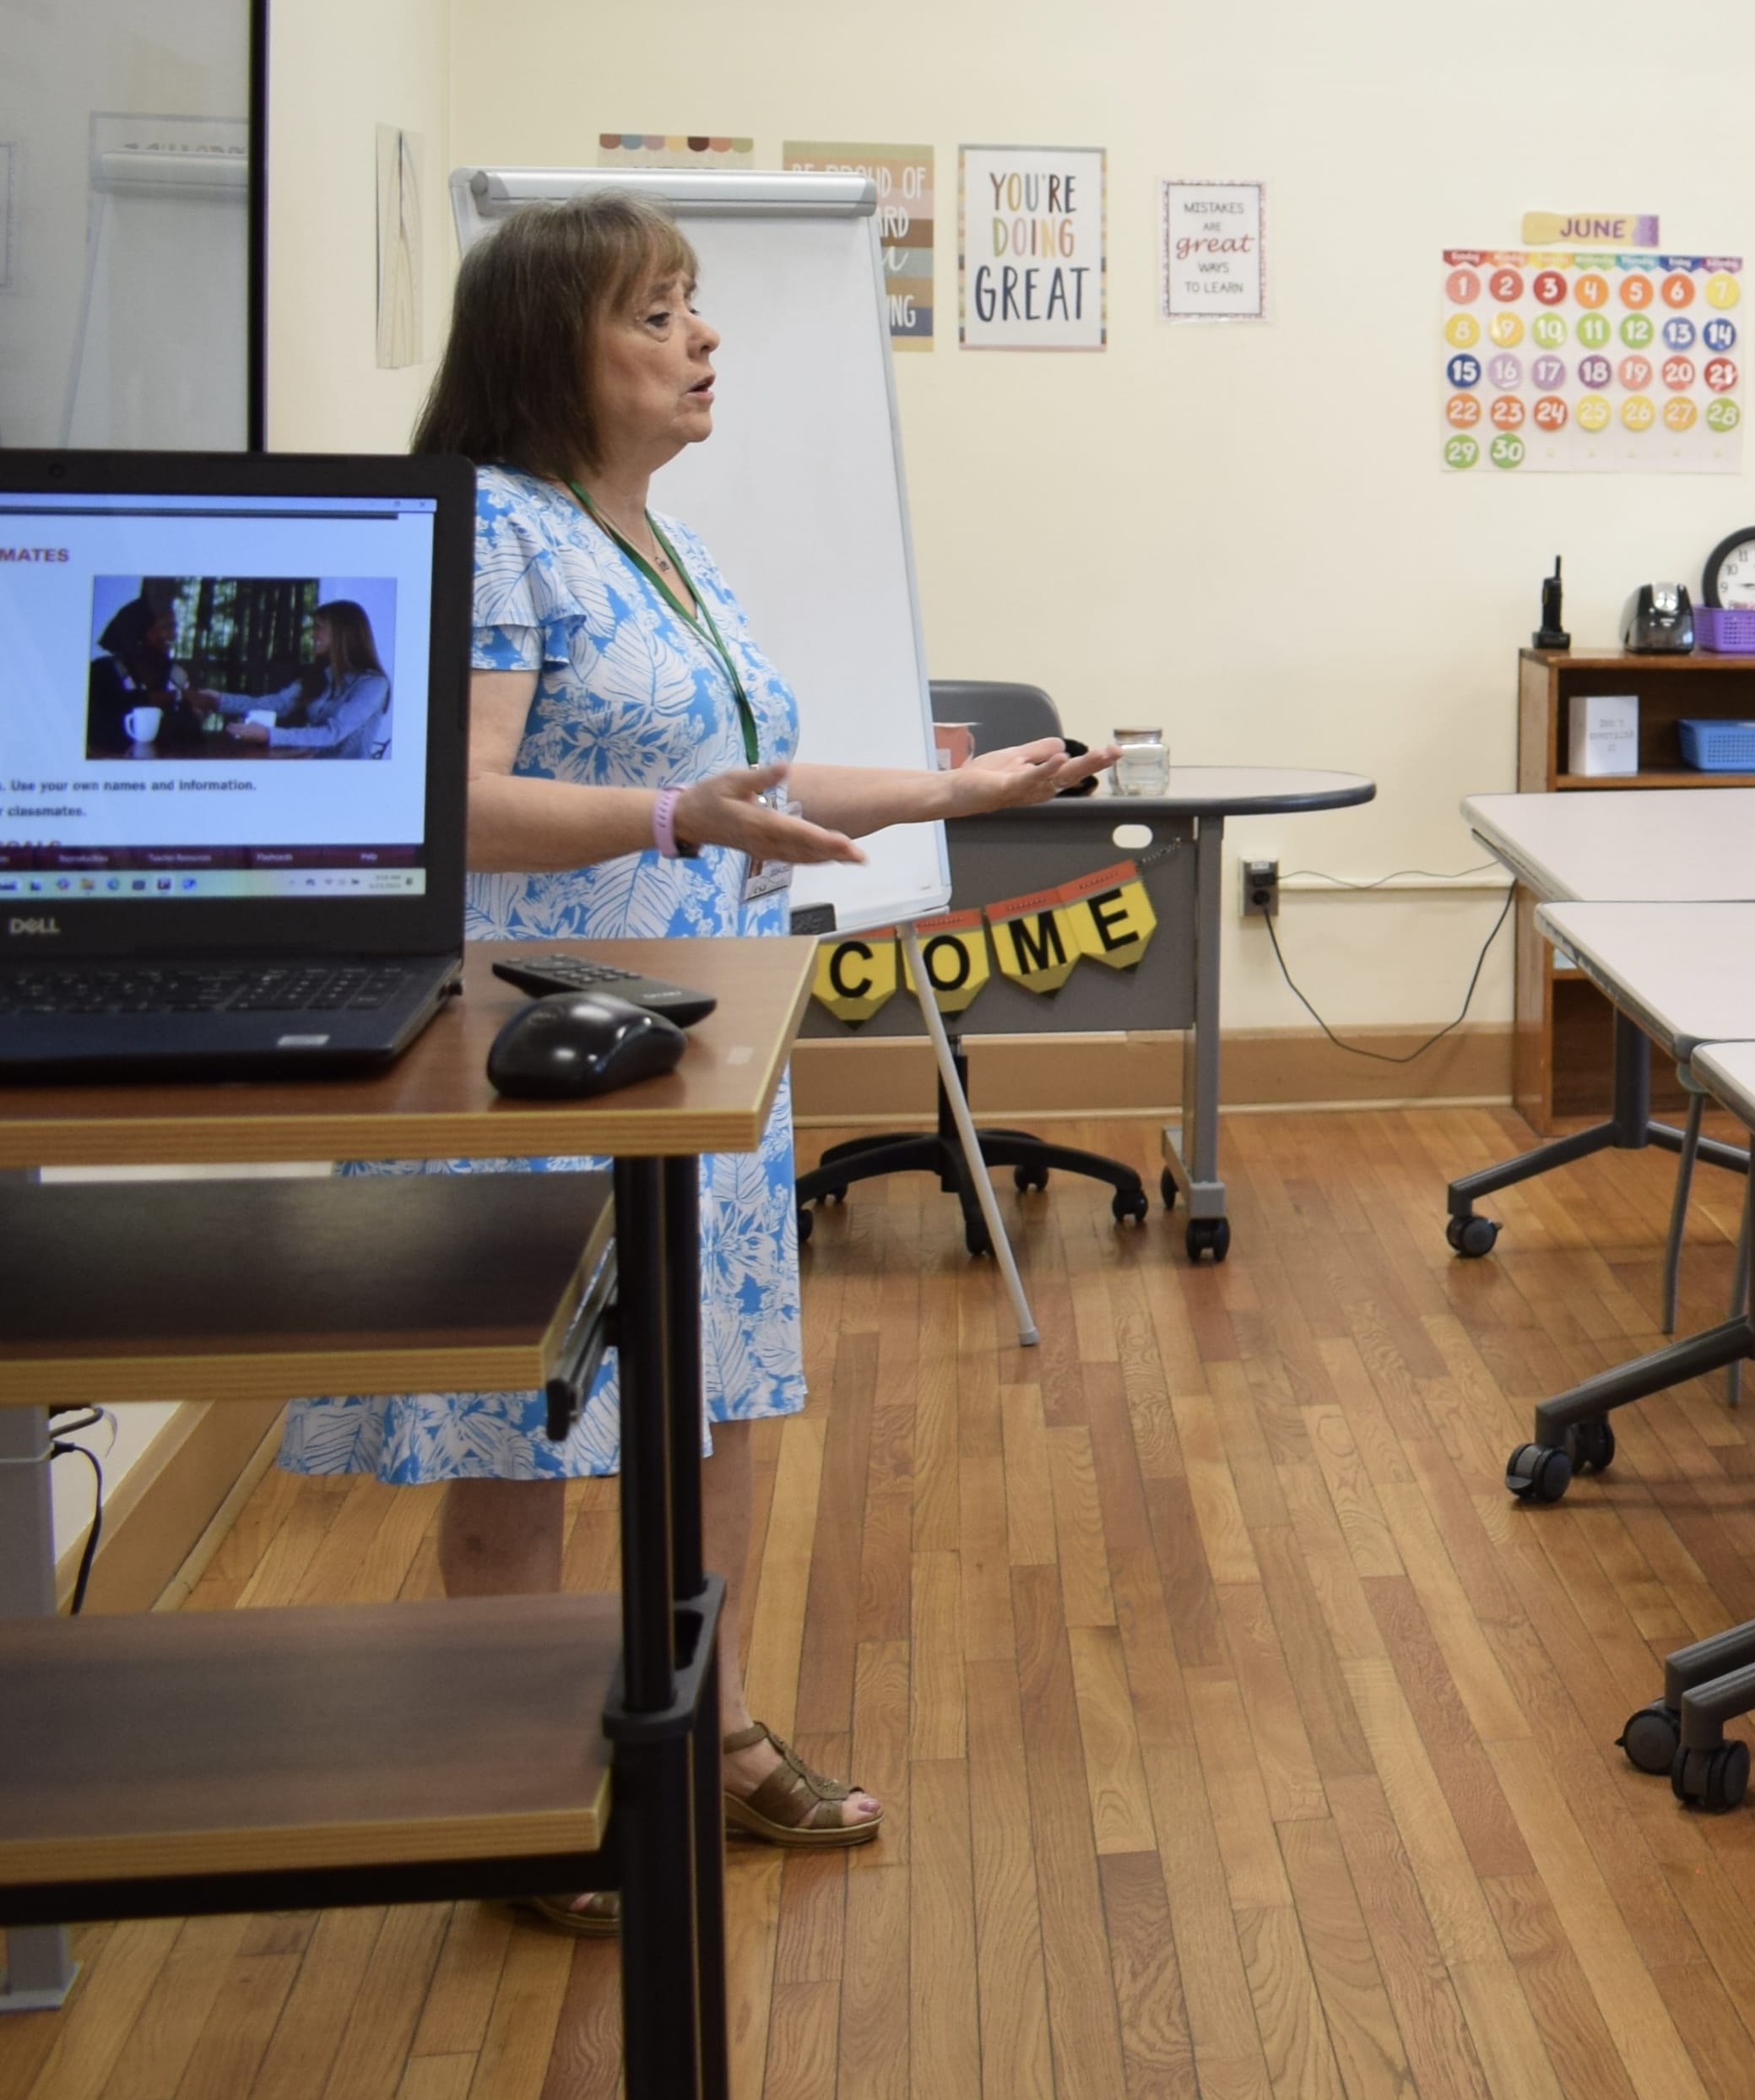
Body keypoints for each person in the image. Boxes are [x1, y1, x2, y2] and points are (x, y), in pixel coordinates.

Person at [280, 193, 1098, 1931]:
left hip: (703, 1044)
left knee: (711, 1398)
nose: (700, 338)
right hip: (530, 1049)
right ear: (546, 350)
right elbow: (454, 791)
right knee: (524, 1425)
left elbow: (753, 792)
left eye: (695, 308)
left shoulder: (658, 537)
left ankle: (714, 1738)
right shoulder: (497, 529)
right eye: (656, 314)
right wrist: (663, 810)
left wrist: (960, 791)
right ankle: (522, 1791)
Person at [221, 596, 393, 757]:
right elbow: (277, 703)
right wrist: (219, 701)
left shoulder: (374, 685)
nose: (312, 635)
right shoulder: (320, 675)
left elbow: (332, 733)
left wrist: (269, 734)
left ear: (342, 633)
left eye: (318, 627)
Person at [84, 591, 182, 757]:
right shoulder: (101, 672)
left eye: (174, 627)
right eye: (166, 627)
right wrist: (170, 697)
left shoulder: (175, 675)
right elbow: (101, 730)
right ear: (139, 633)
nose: (174, 635)